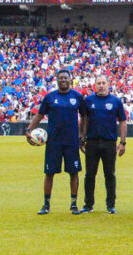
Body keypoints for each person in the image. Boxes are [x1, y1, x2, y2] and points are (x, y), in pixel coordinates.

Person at [26, 69, 87, 215]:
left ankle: (73, 204)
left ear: (70, 80)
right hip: (54, 142)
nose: (63, 80)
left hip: (72, 141)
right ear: (57, 80)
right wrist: (29, 130)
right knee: (49, 173)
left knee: (74, 172)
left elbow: (84, 117)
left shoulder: (77, 97)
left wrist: (82, 135)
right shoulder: (50, 97)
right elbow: (39, 115)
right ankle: (46, 205)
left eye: (66, 78)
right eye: (61, 78)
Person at [80, 76, 127, 214]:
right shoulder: (88, 100)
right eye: (98, 83)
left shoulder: (116, 101)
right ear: (95, 85)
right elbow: (84, 120)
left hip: (109, 143)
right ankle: (88, 205)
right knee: (90, 175)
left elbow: (123, 121)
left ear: (108, 84)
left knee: (110, 175)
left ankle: (111, 205)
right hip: (92, 142)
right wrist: (82, 138)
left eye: (103, 83)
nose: (101, 85)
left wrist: (122, 142)